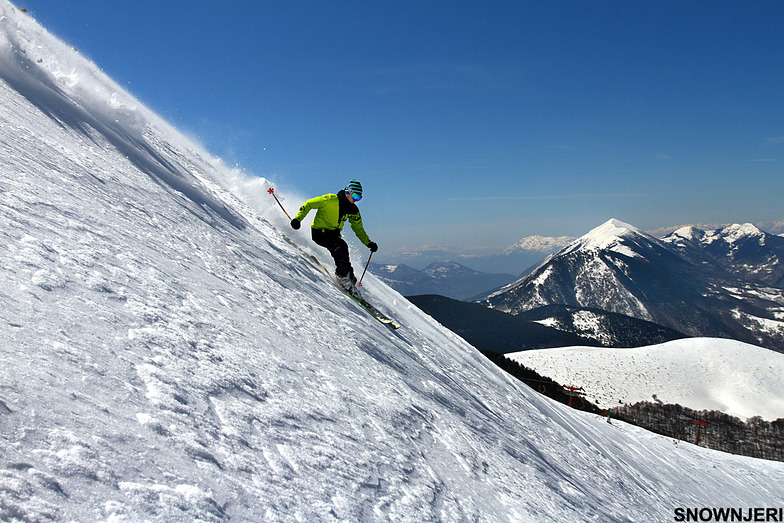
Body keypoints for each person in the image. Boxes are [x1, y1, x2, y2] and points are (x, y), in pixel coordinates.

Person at [290, 180, 378, 293]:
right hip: (319, 233)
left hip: (334, 235)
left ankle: (349, 279)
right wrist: (298, 219)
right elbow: (309, 204)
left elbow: (358, 229)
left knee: (343, 249)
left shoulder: (353, 211)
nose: (356, 200)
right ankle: (342, 277)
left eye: (359, 198)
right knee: (340, 248)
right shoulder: (330, 199)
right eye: (355, 196)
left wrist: (369, 243)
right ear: (348, 192)